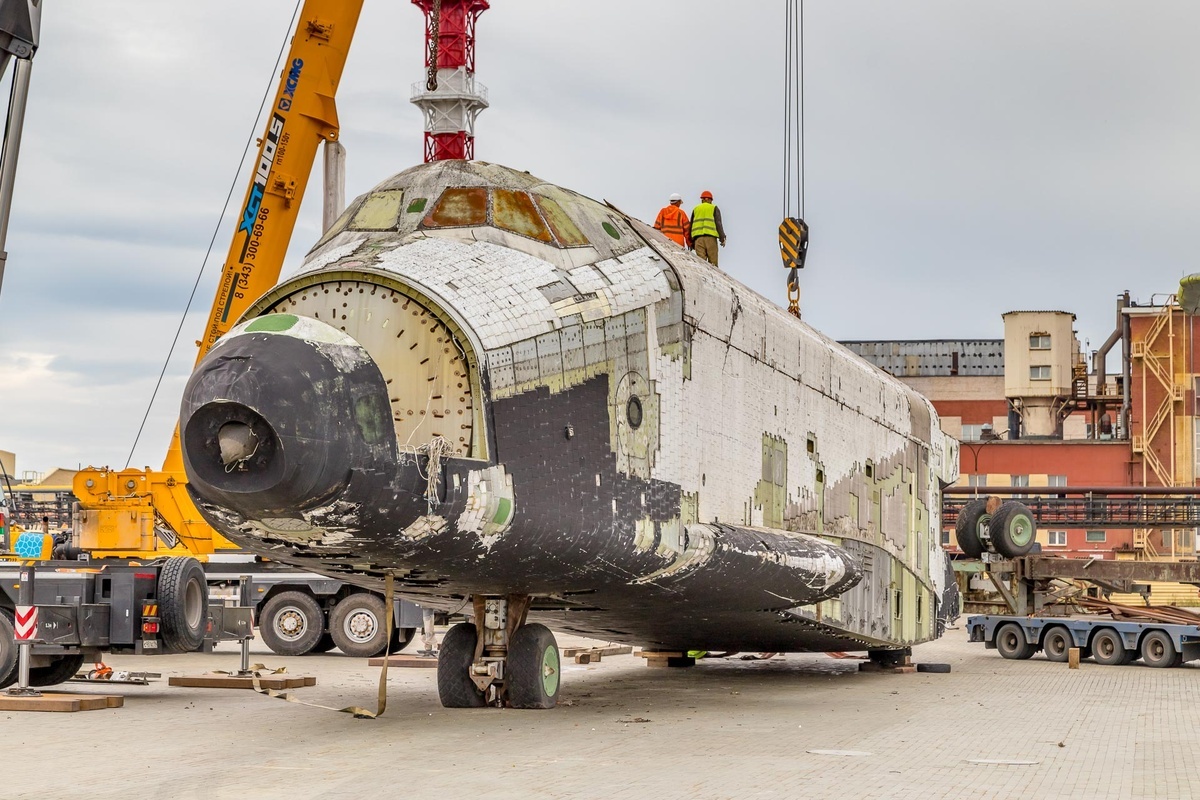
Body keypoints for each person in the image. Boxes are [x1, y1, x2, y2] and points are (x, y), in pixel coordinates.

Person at [690, 190, 726, 267]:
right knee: (713, 265)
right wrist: (722, 238)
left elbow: (691, 225)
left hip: (698, 240)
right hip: (711, 239)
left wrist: (691, 241)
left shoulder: (696, 209)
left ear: (702, 199)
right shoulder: (714, 208)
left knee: (701, 265)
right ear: (710, 200)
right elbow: (718, 223)